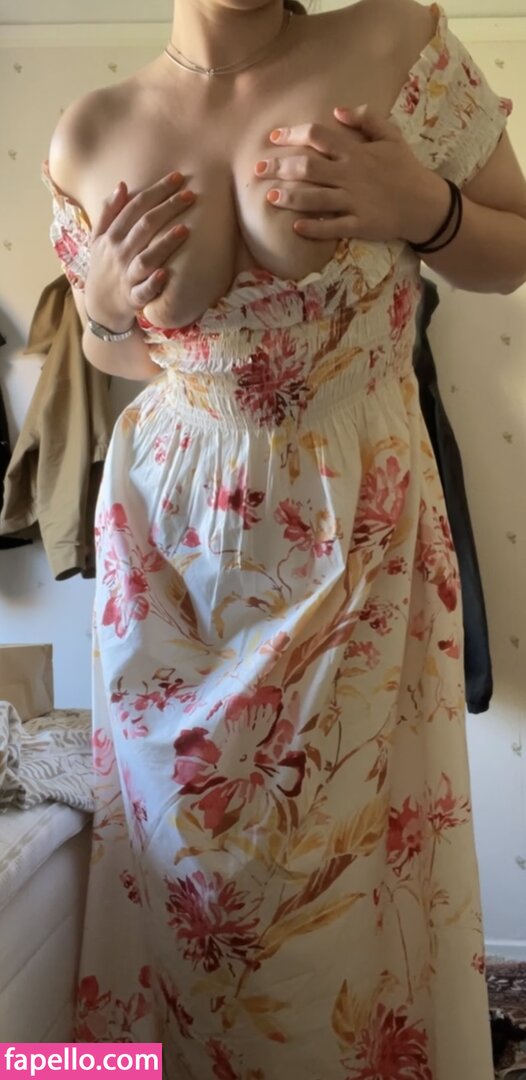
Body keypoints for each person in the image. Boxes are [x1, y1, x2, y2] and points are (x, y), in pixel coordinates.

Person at [43, 0, 526, 1075]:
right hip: (169, 557)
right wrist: (105, 309)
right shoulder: (91, 130)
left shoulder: (395, 40)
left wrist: (428, 209)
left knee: (344, 893)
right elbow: (123, 352)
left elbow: (512, 252)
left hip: (352, 536)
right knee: (180, 885)